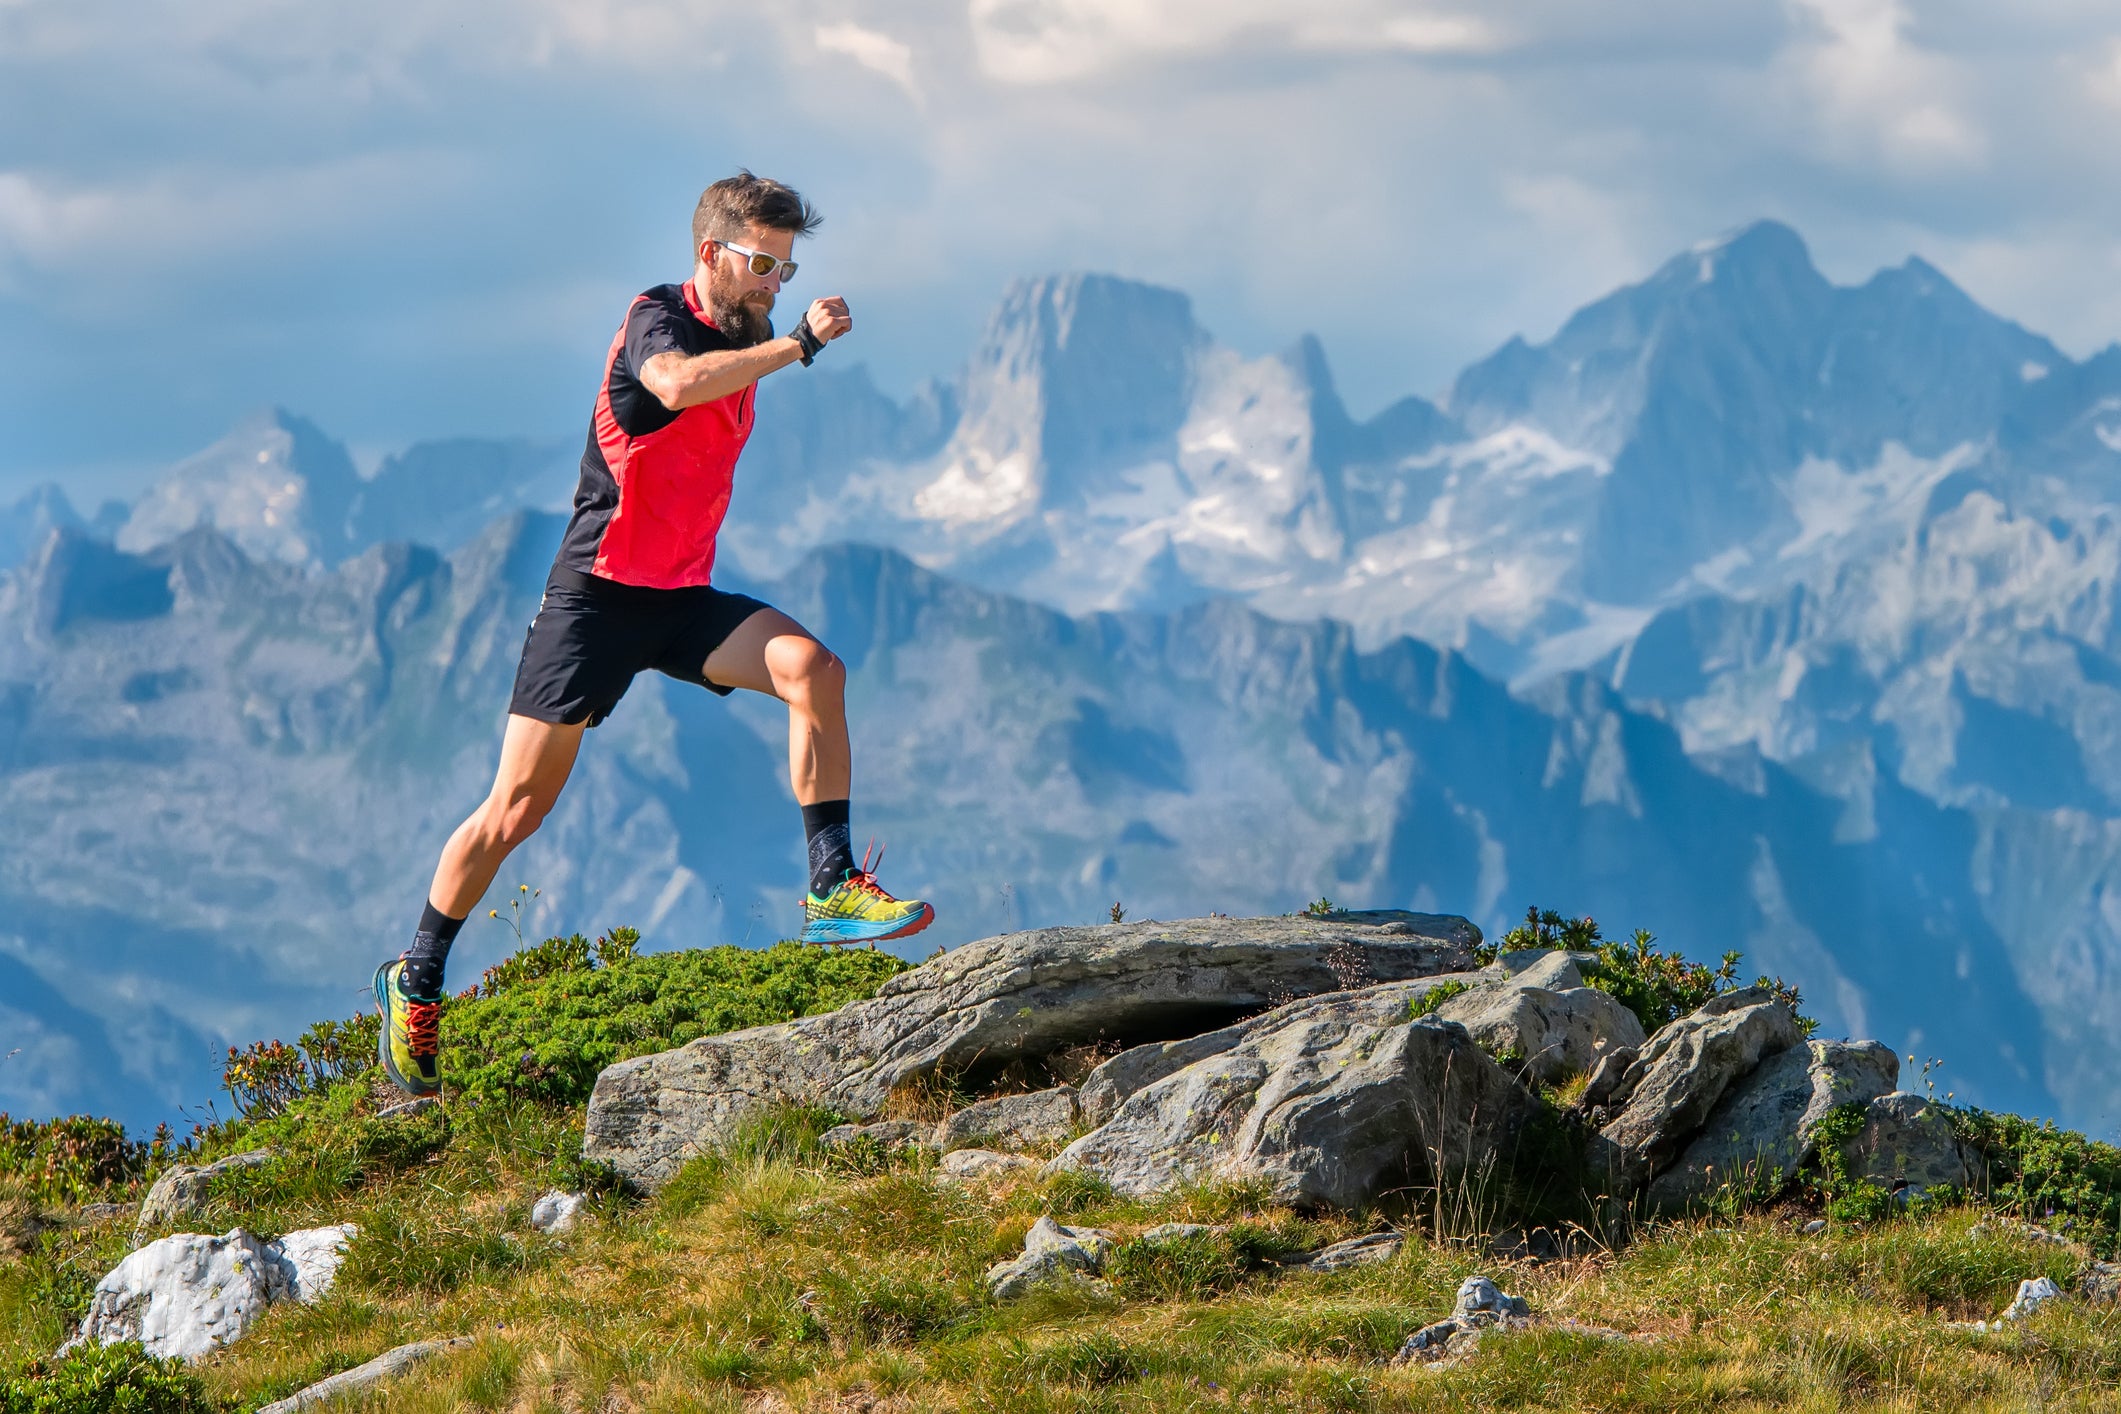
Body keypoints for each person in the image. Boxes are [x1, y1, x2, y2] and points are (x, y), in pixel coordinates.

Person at [373, 171, 933, 1098]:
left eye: (786, 270)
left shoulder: (747, 336)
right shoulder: (657, 320)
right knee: (516, 810)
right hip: (594, 602)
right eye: (762, 265)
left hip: (677, 600)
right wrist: (798, 344)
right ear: (712, 253)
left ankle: (831, 886)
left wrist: (777, 340)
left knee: (813, 668)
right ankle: (417, 975)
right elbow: (671, 387)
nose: (775, 283)